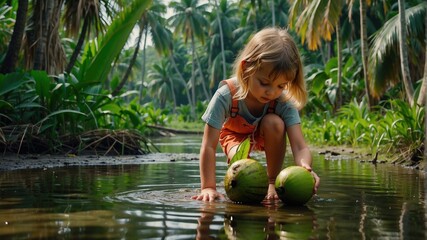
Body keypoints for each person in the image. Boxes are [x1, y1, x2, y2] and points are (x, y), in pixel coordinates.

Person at [191, 27, 320, 202]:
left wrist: (305, 166)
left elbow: (299, 147)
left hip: (267, 133)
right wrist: (208, 187)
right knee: (242, 168)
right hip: (234, 136)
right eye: (264, 83)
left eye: (281, 86)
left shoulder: (283, 103)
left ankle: (271, 183)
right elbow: (208, 146)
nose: (271, 92)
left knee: (275, 122)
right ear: (246, 68)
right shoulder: (226, 95)